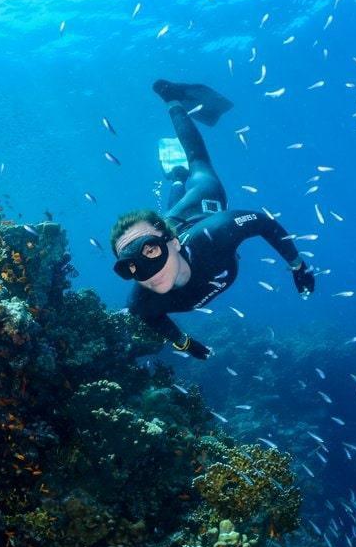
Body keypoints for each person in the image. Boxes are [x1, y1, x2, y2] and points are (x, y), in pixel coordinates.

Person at [110, 80, 316, 359]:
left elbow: (264, 223)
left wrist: (297, 265)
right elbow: (153, 319)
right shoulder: (142, 303)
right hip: (171, 224)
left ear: (172, 242)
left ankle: (173, 100)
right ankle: (176, 178)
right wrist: (184, 343)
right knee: (171, 208)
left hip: (199, 207)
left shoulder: (216, 233)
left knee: (199, 162)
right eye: (131, 266)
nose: (147, 272)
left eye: (150, 250)